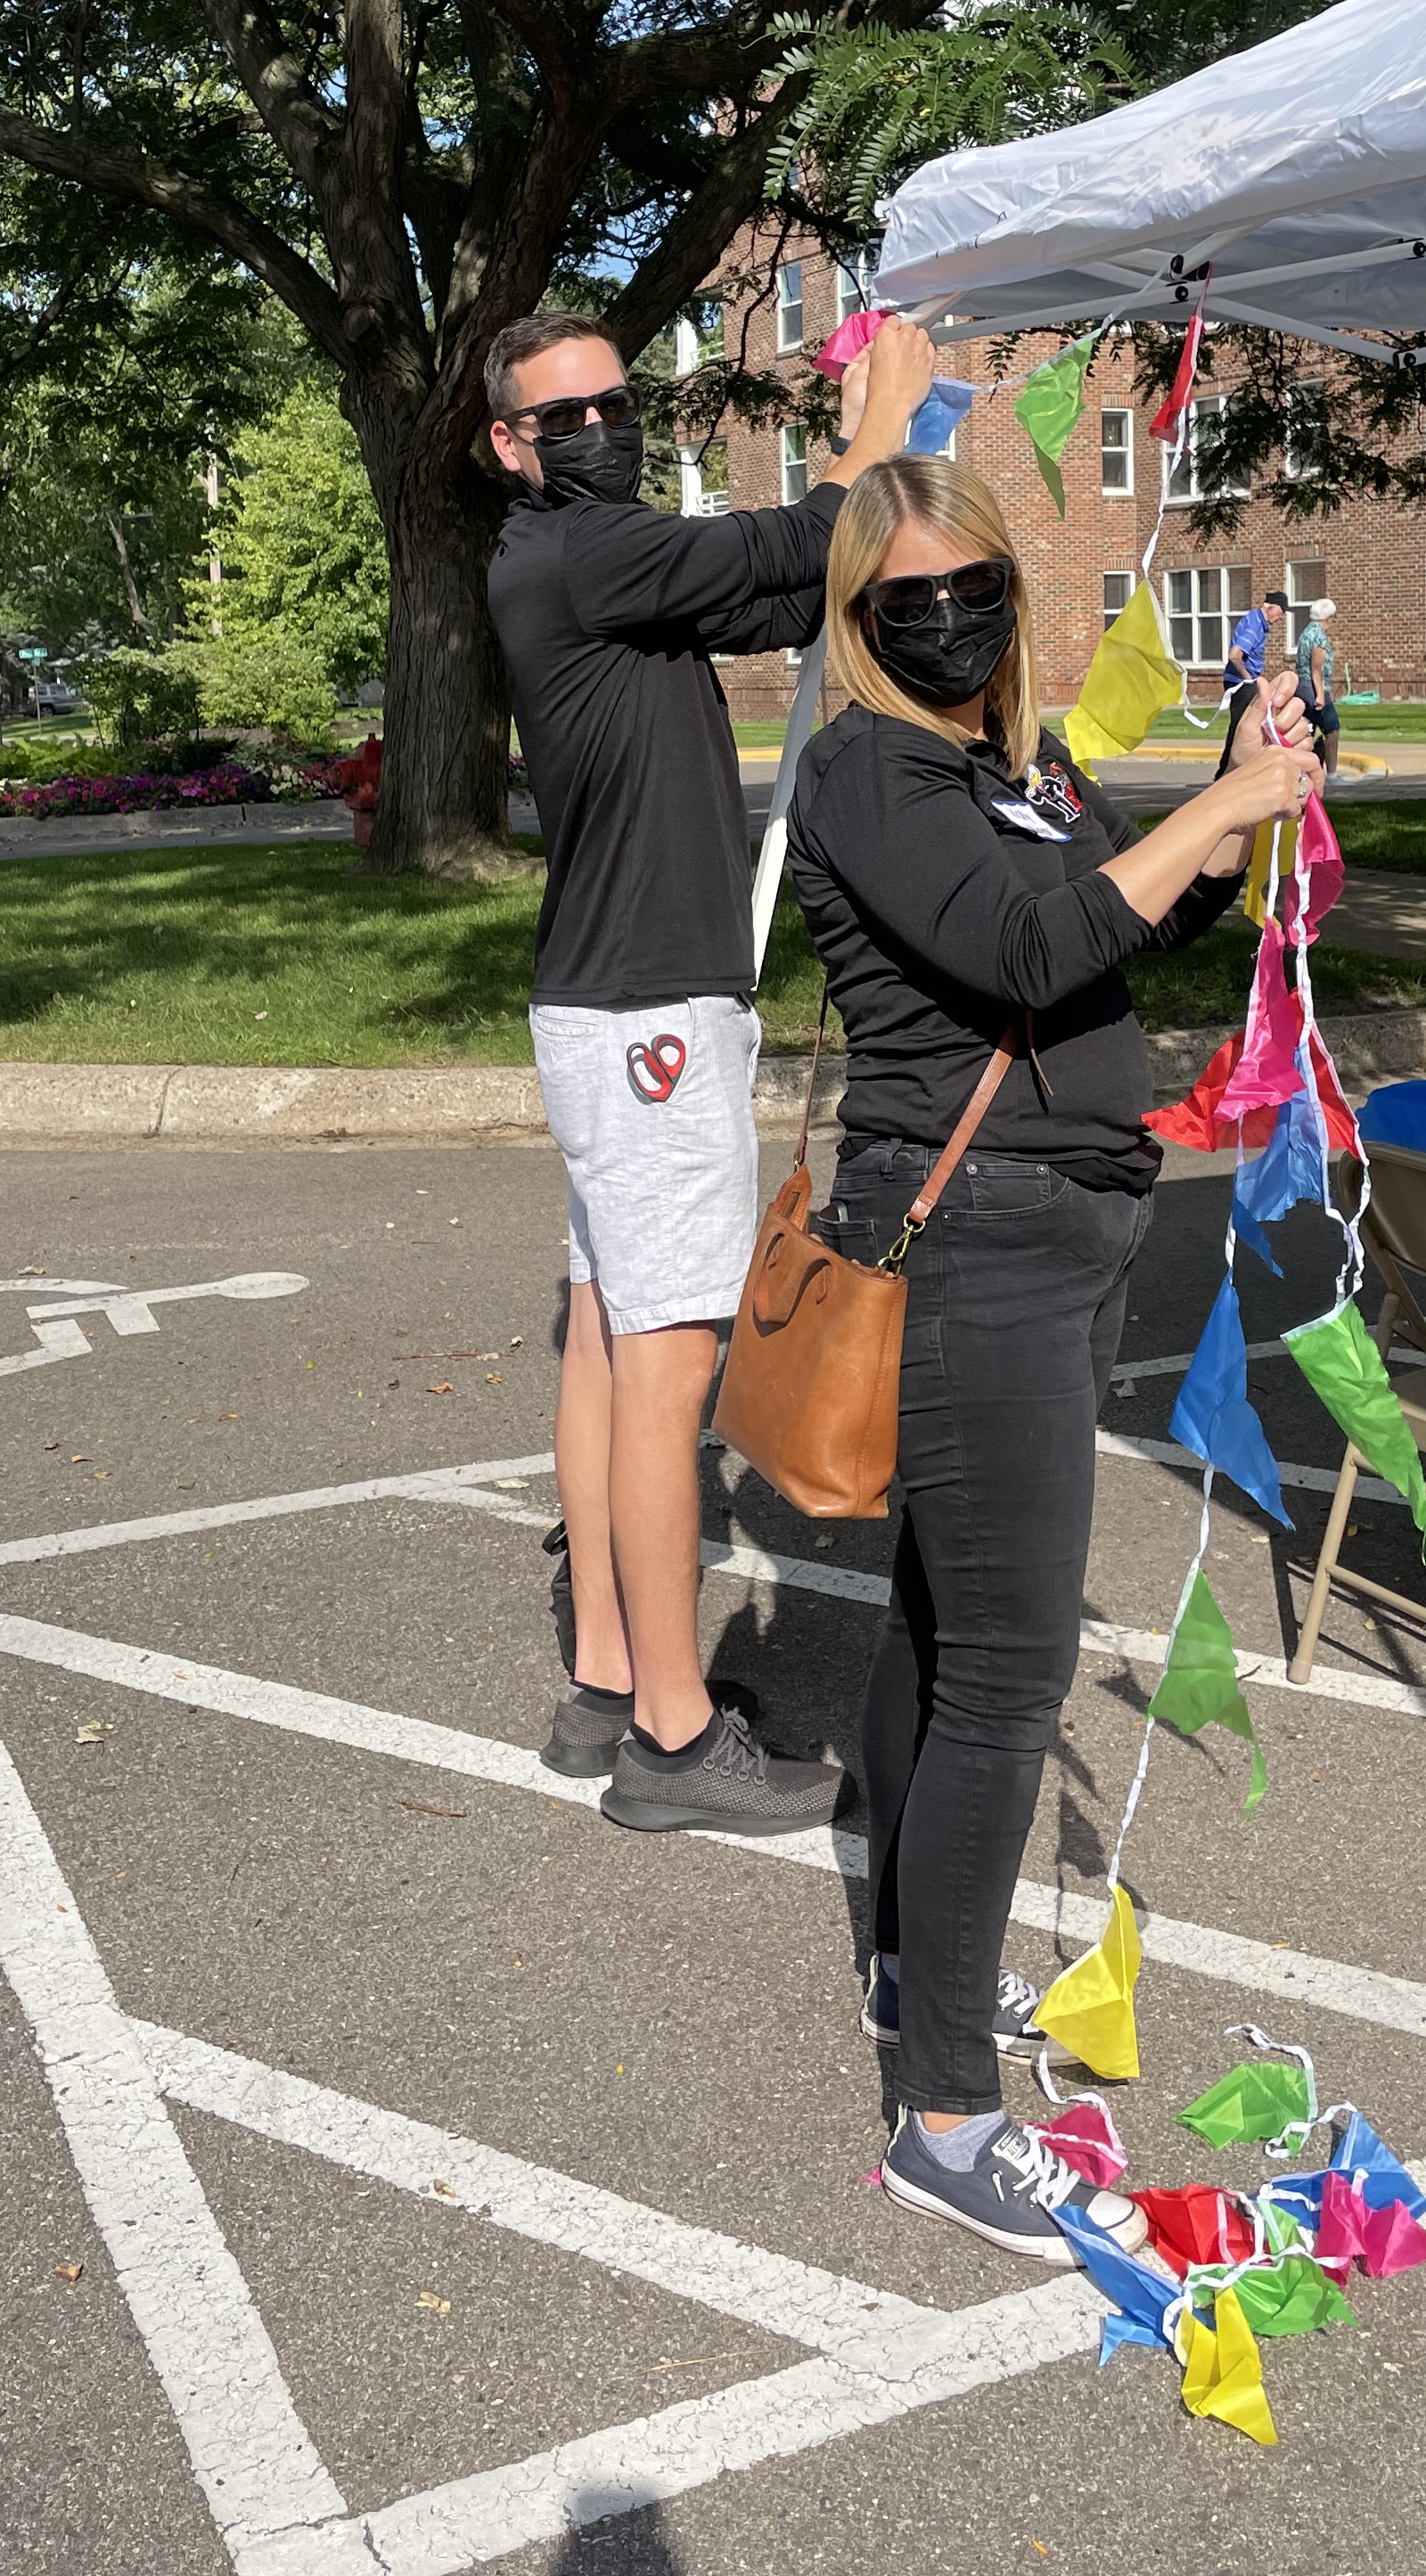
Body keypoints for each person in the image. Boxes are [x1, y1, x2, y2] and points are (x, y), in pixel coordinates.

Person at [786, 457, 1321, 2260]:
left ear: (1014, 594)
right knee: (1006, 1678)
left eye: (974, 589)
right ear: (859, 619)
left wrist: (1231, 807)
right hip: (979, 1243)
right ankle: (945, 2119)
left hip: (1058, 1225)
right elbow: (1023, 943)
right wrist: (1221, 801)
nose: (946, 621)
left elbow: (1122, 920)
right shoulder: (873, 768)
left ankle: (909, 1971)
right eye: (906, 600)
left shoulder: (1010, 763)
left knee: (941, 1629)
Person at [486, 302, 936, 1836]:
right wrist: (882, 425)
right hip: (649, 1020)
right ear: (509, 444)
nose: (598, 430)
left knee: (609, 1344)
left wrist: (841, 483)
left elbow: (778, 588)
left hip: (609, 1009)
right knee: (665, 1366)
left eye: (615, 403)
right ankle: (676, 1745)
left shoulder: (589, 565)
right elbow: (795, 546)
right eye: (564, 417)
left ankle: (609, 1680)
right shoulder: (578, 551)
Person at [1222, 587, 1289, 734]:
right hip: (1240, 682)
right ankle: (1232, 750)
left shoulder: (1256, 621)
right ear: (1271, 607)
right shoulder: (1255, 625)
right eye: (1281, 612)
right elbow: (1234, 655)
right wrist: (1248, 679)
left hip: (1242, 681)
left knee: (1245, 725)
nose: (1281, 618)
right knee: (1242, 727)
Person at [1295, 596, 1340, 777]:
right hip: (1314, 688)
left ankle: (1304, 773)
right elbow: (1316, 669)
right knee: (1332, 730)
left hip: (1302, 687)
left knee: (1308, 731)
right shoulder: (1319, 637)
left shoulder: (1306, 632)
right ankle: (1332, 775)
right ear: (1329, 618)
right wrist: (1321, 695)